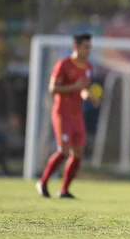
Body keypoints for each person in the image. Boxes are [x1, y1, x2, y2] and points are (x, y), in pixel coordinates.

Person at [36, 33, 99, 198]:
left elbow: (83, 89)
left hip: (77, 114)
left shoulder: (88, 67)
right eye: (86, 47)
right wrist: (75, 86)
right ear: (76, 47)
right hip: (62, 113)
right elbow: (53, 88)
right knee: (63, 150)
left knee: (78, 153)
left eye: (89, 47)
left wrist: (89, 96)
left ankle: (64, 190)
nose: (88, 50)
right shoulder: (63, 64)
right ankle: (42, 182)